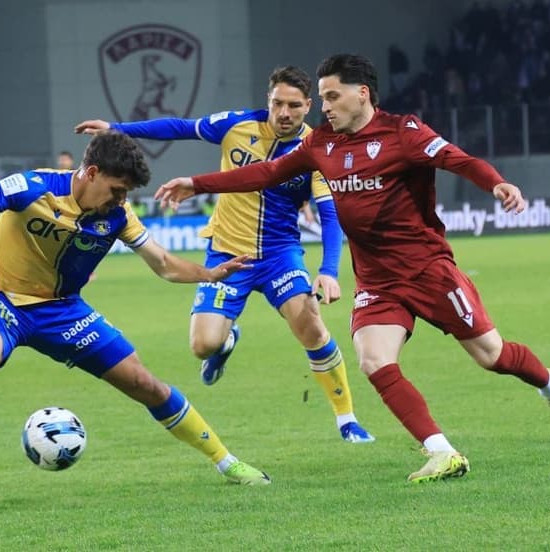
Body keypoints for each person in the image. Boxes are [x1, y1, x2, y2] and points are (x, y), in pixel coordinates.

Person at [154, 54, 550, 484]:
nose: (325, 107)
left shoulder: (403, 133)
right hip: (377, 279)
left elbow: (459, 160)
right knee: (374, 360)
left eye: (332, 97)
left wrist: (496, 183)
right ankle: (442, 452)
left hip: (427, 270)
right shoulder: (322, 143)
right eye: (323, 98)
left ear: (362, 94)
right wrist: (197, 183)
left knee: (492, 356)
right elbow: (267, 173)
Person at [0, 131, 270, 510]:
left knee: (145, 383)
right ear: (92, 173)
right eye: (117, 189)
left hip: (62, 309)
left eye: (126, 192)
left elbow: (164, 264)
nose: (121, 199)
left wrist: (209, 274)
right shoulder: (34, 186)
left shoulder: (118, 216)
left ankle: (227, 462)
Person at [75, 66, 374, 443]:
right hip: (227, 253)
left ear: (308, 106)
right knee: (203, 346)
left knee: (310, 324)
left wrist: (328, 270)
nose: (284, 113)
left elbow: (330, 215)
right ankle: (226, 342)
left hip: (279, 255)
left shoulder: (317, 150)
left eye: (294, 106)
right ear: (268, 100)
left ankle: (347, 420)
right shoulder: (236, 125)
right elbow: (181, 127)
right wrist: (117, 128)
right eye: (277, 103)